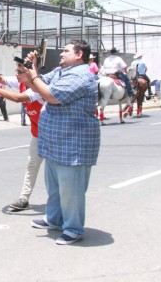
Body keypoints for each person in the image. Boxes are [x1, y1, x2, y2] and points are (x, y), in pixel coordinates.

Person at [24, 40, 100, 245]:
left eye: (66, 51)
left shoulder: (81, 75)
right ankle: (55, 219)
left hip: (73, 142)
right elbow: (35, 85)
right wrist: (29, 69)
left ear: (79, 54)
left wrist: (34, 75)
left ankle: (74, 228)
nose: (61, 54)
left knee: (71, 190)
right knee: (55, 187)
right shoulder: (60, 71)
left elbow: (51, 95)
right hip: (55, 141)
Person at [0, 64, 44, 211]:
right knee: (32, 166)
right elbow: (3, 79)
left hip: (52, 136)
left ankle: (60, 204)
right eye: (16, 71)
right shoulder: (21, 82)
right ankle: (24, 199)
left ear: (30, 73)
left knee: (54, 173)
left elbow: (18, 98)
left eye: (19, 71)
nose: (16, 74)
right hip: (37, 135)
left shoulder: (39, 87)